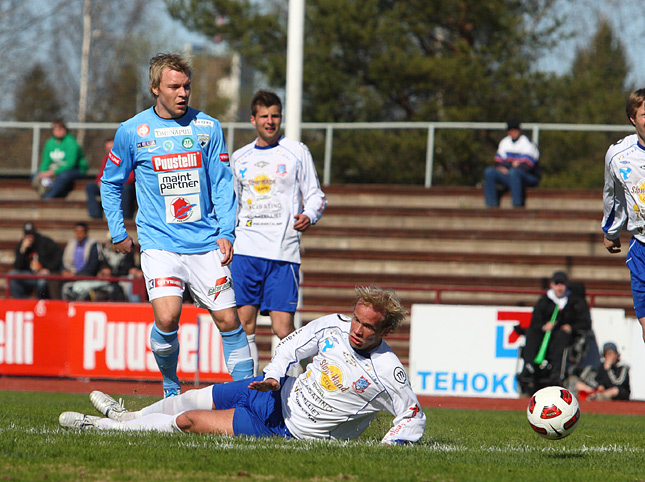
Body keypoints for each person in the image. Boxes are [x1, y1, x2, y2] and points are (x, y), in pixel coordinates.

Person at [59, 285, 426, 445]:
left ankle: (100, 427)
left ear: (386, 329)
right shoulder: (335, 325)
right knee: (191, 398)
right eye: (357, 319)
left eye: (368, 326)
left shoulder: (386, 371)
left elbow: (412, 415)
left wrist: (392, 445)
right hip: (273, 393)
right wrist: (272, 375)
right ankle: (128, 416)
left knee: (187, 423)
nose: (357, 330)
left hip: (286, 431)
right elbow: (292, 345)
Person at [100, 52, 253, 397]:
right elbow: (110, 182)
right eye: (174, 87)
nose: (183, 93)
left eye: (186, 86)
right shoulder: (132, 131)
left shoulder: (207, 128)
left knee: (230, 320)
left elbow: (223, 183)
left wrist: (227, 232)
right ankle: (171, 386)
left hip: (205, 242)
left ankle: (246, 396)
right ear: (155, 88)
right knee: (167, 318)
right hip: (160, 244)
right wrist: (117, 230)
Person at [230, 90, 327, 375]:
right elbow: (232, 205)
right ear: (253, 119)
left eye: (275, 116)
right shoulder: (239, 158)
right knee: (243, 323)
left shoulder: (297, 152)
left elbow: (316, 196)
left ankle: (306, 384)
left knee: (282, 328)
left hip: (282, 253)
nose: (270, 122)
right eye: (264, 116)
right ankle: (245, 388)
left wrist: (309, 215)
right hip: (246, 251)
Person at [602, 88, 645, 345]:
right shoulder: (618, 156)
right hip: (641, 246)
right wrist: (610, 231)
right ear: (632, 118)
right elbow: (613, 195)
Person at [517, 271, 592, 395]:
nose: (559, 287)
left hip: (563, 338)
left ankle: (557, 373)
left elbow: (585, 323)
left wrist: (571, 327)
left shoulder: (575, 301)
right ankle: (529, 367)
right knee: (532, 333)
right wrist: (544, 326)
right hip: (544, 337)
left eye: (562, 284)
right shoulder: (544, 301)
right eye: (557, 284)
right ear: (552, 285)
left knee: (562, 336)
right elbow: (535, 322)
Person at [483, 119, 540, 208]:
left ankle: (517, 205)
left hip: (528, 177)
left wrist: (508, 165)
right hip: (509, 174)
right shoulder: (505, 142)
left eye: (515, 129)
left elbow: (527, 165)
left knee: (515, 172)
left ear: (519, 130)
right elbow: (498, 160)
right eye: (510, 130)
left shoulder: (527, 142)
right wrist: (510, 165)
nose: (512, 132)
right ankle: (491, 205)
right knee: (489, 172)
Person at [32, 120, 88, 198]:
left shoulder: (71, 142)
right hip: (55, 169)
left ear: (65, 130)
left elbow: (71, 163)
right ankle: (43, 194)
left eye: (60, 129)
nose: (58, 132)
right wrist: (43, 172)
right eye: (55, 129)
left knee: (63, 176)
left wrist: (53, 172)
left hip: (75, 170)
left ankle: (48, 198)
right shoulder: (50, 143)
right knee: (35, 176)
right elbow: (45, 160)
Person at [85, 138, 136, 219]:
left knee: (126, 189)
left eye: (112, 148)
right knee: (91, 187)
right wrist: (100, 182)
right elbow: (100, 175)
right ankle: (95, 216)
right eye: (108, 149)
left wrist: (115, 182)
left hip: (123, 185)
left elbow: (131, 177)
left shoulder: (128, 158)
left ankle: (125, 217)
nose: (110, 151)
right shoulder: (106, 159)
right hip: (109, 186)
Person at [9, 222, 62, 299]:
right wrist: (22, 251)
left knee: (42, 282)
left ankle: (39, 304)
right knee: (12, 274)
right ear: (24, 235)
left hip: (43, 275)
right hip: (30, 275)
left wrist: (48, 269)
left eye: (31, 234)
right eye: (27, 234)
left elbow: (58, 254)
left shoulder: (45, 242)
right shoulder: (22, 245)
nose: (29, 237)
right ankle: (21, 302)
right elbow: (18, 267)